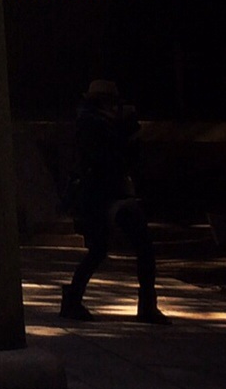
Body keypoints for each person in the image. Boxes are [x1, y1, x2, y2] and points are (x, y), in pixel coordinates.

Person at [61, 78, 165, 322]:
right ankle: (73, 300)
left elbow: (127, 159)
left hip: (112, 194)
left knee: (131, 247)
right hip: (98, 194)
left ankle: (145, 305)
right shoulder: (91, 124)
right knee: (102, 249)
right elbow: (108, 158)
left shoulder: (102, 123)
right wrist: (125, 133)